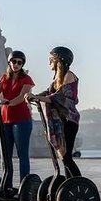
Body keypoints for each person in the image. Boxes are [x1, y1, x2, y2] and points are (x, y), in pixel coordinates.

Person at [0, 50, 35, 194]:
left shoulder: (26, 79)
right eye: (14, 61)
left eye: (19, 63)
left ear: (22, 65)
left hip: (22, 120)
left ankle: (24, 187)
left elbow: (22, 96)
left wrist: (8, 103)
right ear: (9, 62)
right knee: (6, 155)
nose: (16, 65)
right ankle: (7, 186)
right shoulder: (4, 78)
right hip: (5, 120)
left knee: (22, 155)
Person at [26, 46, 81, 178]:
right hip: (61, 121)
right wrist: (34, 96)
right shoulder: (57, 79)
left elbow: (58, 97)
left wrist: (38, 98)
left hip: (69, 121)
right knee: (64, 158)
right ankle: (70, 183)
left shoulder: (69, 75)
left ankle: (79, 183)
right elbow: (48, 92)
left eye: (51, 59)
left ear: (59, 61)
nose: (49, 62)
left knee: (67, 157)